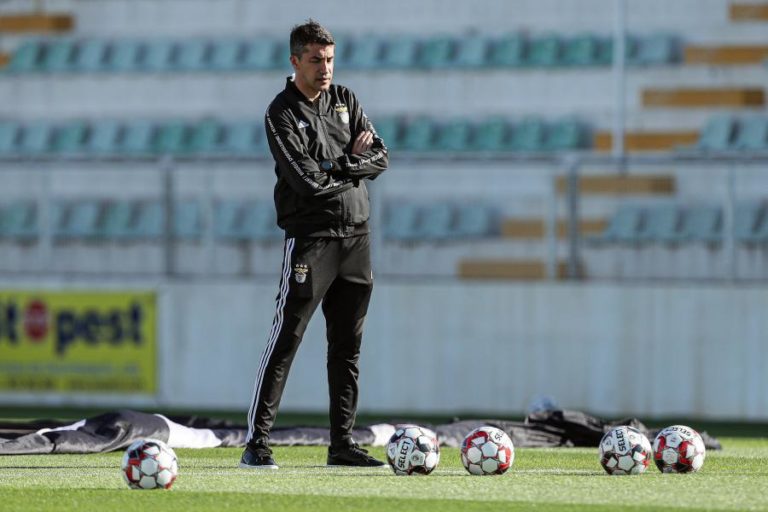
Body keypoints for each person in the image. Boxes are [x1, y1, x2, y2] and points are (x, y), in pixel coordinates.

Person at [239, 20, 389, 470]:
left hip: (356, 238)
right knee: (286, 338)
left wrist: (336, 166)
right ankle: (256, 443)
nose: (325, 68)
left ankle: (342, 444)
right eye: (315, 60)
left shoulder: (345, 99)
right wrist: (352, 164)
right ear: (295, 61)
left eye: (330, 59)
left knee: (347, 347)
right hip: (312, 241)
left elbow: (381, 157)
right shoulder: (280, 113)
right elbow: (307, 183)